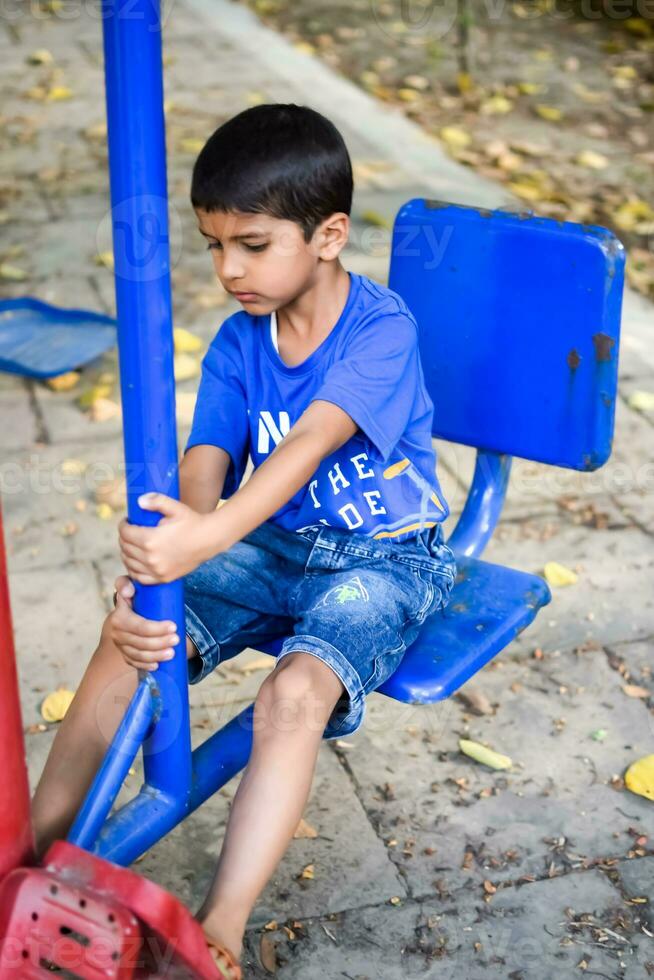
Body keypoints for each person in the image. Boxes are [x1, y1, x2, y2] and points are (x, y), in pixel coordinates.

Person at [31, 103, 456, 978]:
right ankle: (27, 848)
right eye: (213, 244)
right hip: (269, 545)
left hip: (385, 555)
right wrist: (176, 552)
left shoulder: (383, 330)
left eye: (252, 245)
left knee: (291, 697)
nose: (228, 269)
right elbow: (206, 461)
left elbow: (306, 447)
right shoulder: (237, 340)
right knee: (127, 644)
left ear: (329, 234)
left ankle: (219, 928)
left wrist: (207, 535)